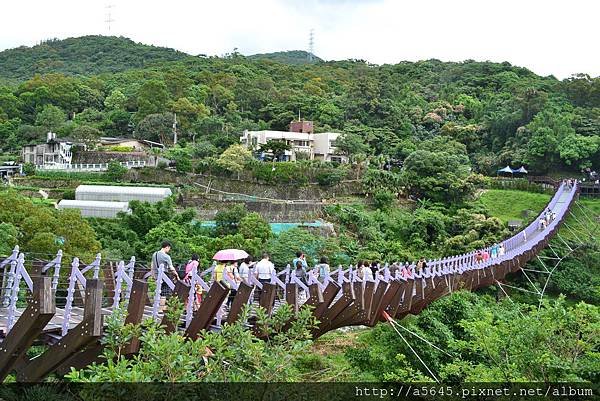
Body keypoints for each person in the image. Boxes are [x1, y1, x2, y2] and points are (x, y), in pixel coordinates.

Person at [151, 241, 180, 308]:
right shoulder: (166, 256)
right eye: (169, 248)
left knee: (158, 291)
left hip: (157, 275)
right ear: (167, 247)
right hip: (164, 276)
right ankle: (161, 309)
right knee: (164, 293)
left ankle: (156, 307)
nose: (169, 250)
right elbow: (171, 267)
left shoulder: (154, 254)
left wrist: (153, 274)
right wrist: (176, 274)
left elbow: (152, 265)